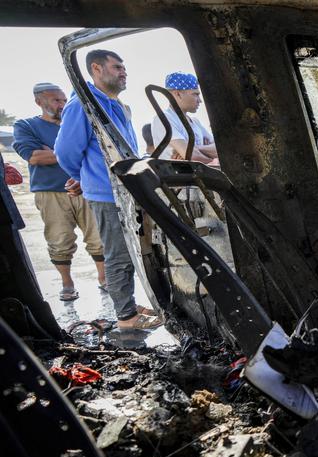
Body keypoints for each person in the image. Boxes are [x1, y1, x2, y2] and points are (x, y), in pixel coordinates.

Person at [55, 49, 162, 329]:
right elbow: (65, 151)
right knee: (118, 254)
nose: (123, 72)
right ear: (96, 69)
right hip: (106, 193)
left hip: (128, 190)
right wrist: (86, 177)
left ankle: (128, 303)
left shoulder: (118, 105)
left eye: (124, 67)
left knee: (137, 252)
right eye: (117, 67)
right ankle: (126, 318)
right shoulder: (83, 104)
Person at [13, 82, 106, 301]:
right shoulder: (26, 125)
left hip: (86, 187)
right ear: (39, 102)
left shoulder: (76, 123)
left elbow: (96, 151)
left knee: (97, 237)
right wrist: (71, 150)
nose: (62, 105)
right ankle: (67, 283)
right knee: (59, 239)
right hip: (50, 192)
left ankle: (104, 279)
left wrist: (54, 152)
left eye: (64, 100)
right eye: (56, 100)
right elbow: (34, 156)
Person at [150, 72, 217, 163]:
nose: (200, 101)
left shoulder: (195, 122)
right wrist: (214, 161)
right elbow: (192, 156)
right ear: (178, 94)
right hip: (178, 176)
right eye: (195, 94)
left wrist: (194, 148)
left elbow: (219, 149)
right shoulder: (164, 118)